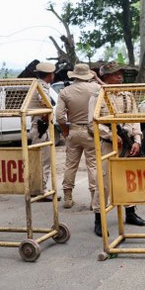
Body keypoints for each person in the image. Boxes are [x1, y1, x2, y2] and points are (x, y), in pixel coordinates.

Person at [97, 62, 145, 230]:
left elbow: (135, 119)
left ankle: (130, 213)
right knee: (104, 182)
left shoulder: (127, 95)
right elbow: (93, 123)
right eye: (115, 73)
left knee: (127, 180)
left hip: (127, 143)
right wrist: (112, 135)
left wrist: (137, 140)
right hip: (107, 146)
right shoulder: (98, 96)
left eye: (120, 73)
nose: (119, 76)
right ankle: (99, 219)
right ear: (105, 77)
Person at [55, 63, 101, 214]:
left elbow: (60, 116)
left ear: (74, 75)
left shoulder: (65, 91)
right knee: (93, 165)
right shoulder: (96, 89)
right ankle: (94, 199)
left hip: (73, 131)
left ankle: (68, 197)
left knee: (70, 165)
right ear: (88, 75)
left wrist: (65, 131)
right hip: (92, 131)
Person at [29, 62, 58, 201]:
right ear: (50, 74)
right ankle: (41, 189)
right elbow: (44, 102)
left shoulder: (36, 84)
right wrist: (48, 112)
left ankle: (37, 188)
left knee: (38, 161)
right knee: (44, 161)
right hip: (41, 127)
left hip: (37, 126)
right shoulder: (42, 86)